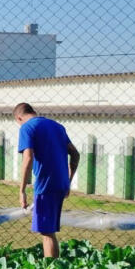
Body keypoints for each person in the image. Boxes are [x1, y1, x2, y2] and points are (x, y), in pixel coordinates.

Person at [15, 103, 80, 258]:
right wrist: (68, 181)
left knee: (47, 232)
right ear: (34, 112)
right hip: (60, 183)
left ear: (19, 118)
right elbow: (75, 154)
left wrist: (22, 190)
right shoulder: (58, 127)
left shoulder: (27, 128)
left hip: (46, 185)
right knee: (49, 230)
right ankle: (54, 268)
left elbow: (28, 158)